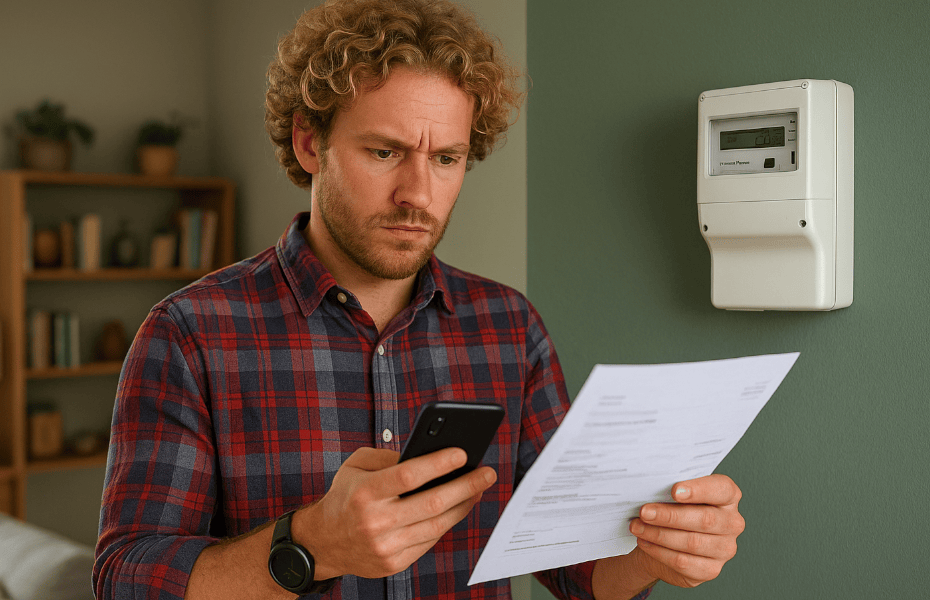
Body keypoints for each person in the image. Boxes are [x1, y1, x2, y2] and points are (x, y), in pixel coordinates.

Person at [93, 1, 745, 599]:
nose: (419, 194)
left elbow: (577, 571)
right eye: (385, 151)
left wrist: (660, 550)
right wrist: (313, 545)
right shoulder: (189, 335)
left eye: (447, 159)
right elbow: (126, 579)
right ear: (309, 142)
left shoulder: (510, 329)